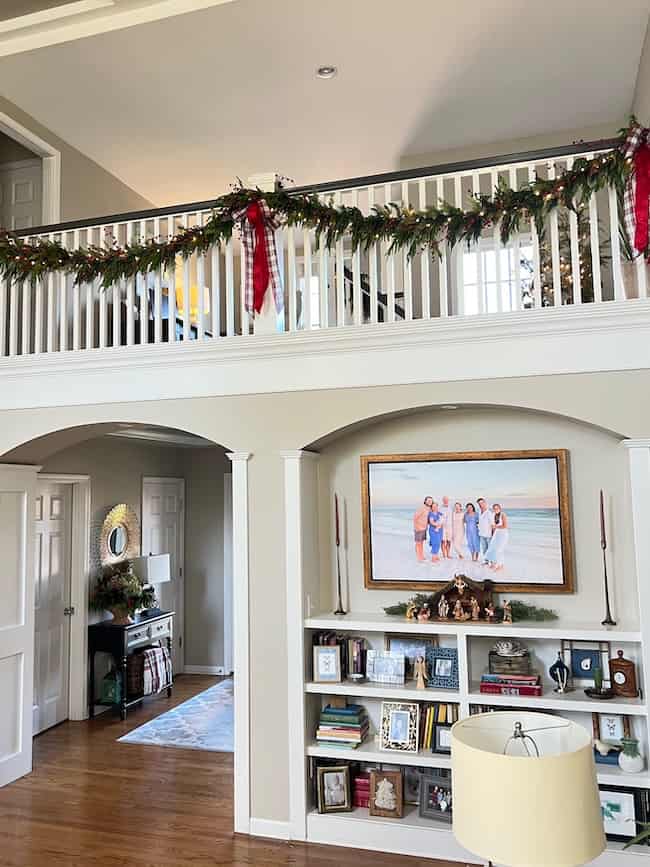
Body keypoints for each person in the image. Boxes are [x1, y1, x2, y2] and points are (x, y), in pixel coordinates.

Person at [485, 503, 509, 571]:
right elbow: (493, 527)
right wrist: (492, 534)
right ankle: (494, 564)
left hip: (503, 534)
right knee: (493, 549)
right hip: (496, 534)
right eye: (494, 508)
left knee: (499, 550)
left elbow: (505, 526)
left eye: (497, 508)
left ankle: (500, 566)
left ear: (500, 508)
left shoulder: (503, 514)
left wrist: (495, 526)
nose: (495, 509)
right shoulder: (494, 515)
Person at [413, 496, 433, 562]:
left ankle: (421, 555)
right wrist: (416, 527)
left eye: (431, 501)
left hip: (424, 528)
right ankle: (419, 557)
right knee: (418, 543)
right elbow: (415, 517)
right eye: (428, 500)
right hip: (419, 528)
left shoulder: (429, 509)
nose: (430, 502)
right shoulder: (422, 508)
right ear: (425, 501)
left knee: (421, 543)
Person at [477, 497, 494, 563]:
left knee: (490, 549)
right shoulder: (479, 512)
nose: (481, 505)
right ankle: (486, 561)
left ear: (485, 503)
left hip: (488, 534)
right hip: (481, 534)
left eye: (482, 503)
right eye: (479, 504)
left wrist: (493, 534)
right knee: (484, 549)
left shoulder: (489, 513)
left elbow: (492, 525)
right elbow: (479, 522)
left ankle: (491, 561)